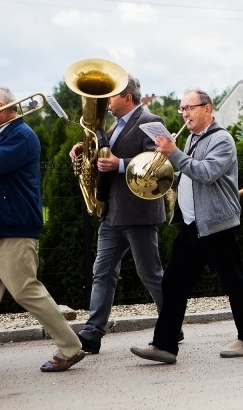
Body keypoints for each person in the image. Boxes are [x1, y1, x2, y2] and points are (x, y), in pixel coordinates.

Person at [131, 89, 243, 364]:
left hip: (217, 224)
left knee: (232, 283)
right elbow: (188, 173)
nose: (185, 114)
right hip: (192, 225)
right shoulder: (191, 138)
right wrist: (163, 169)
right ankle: (164, 345)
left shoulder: (221, 139)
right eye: (182, 109)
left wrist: (174, 154)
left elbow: (206, 172)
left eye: (190, 108)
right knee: (173, 283)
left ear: (207, 108)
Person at [0, 87, 85, 377]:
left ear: (4, 108)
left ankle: (70, 347)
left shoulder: (21, 135)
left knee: (25, 290)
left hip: (13, 228)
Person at [68, 75, 167, 354]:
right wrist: (83, 152)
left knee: (150, 274)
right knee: (102, 271)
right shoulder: (114, 126)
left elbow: (159, 163)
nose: (107, 102)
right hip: (112, 213)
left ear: (127, 97)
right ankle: (92, 334)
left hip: (139, 213)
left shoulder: (151, 120)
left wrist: (119, 164)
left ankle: (172, 324)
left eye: (111, 96)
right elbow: (103, 155)